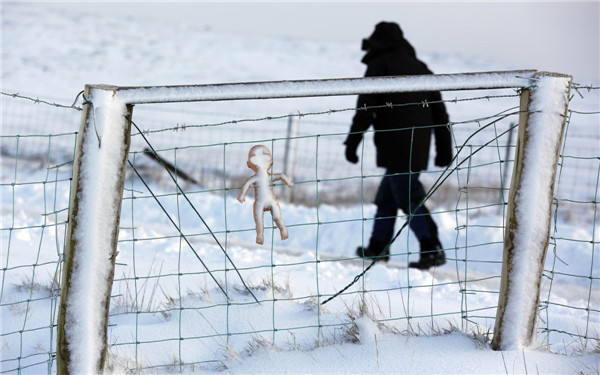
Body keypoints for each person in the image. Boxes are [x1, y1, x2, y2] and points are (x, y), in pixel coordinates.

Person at [344, 21, 452, 270]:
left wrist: (352, 142)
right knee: (388, 197)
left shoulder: (379, 65)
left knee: (409, 197)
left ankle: (431, 248)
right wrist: (444, 150)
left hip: (395, 145)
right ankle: (378, 246)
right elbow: (440, 114)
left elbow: (365, 108)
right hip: (418, 146)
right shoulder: (422, 68)